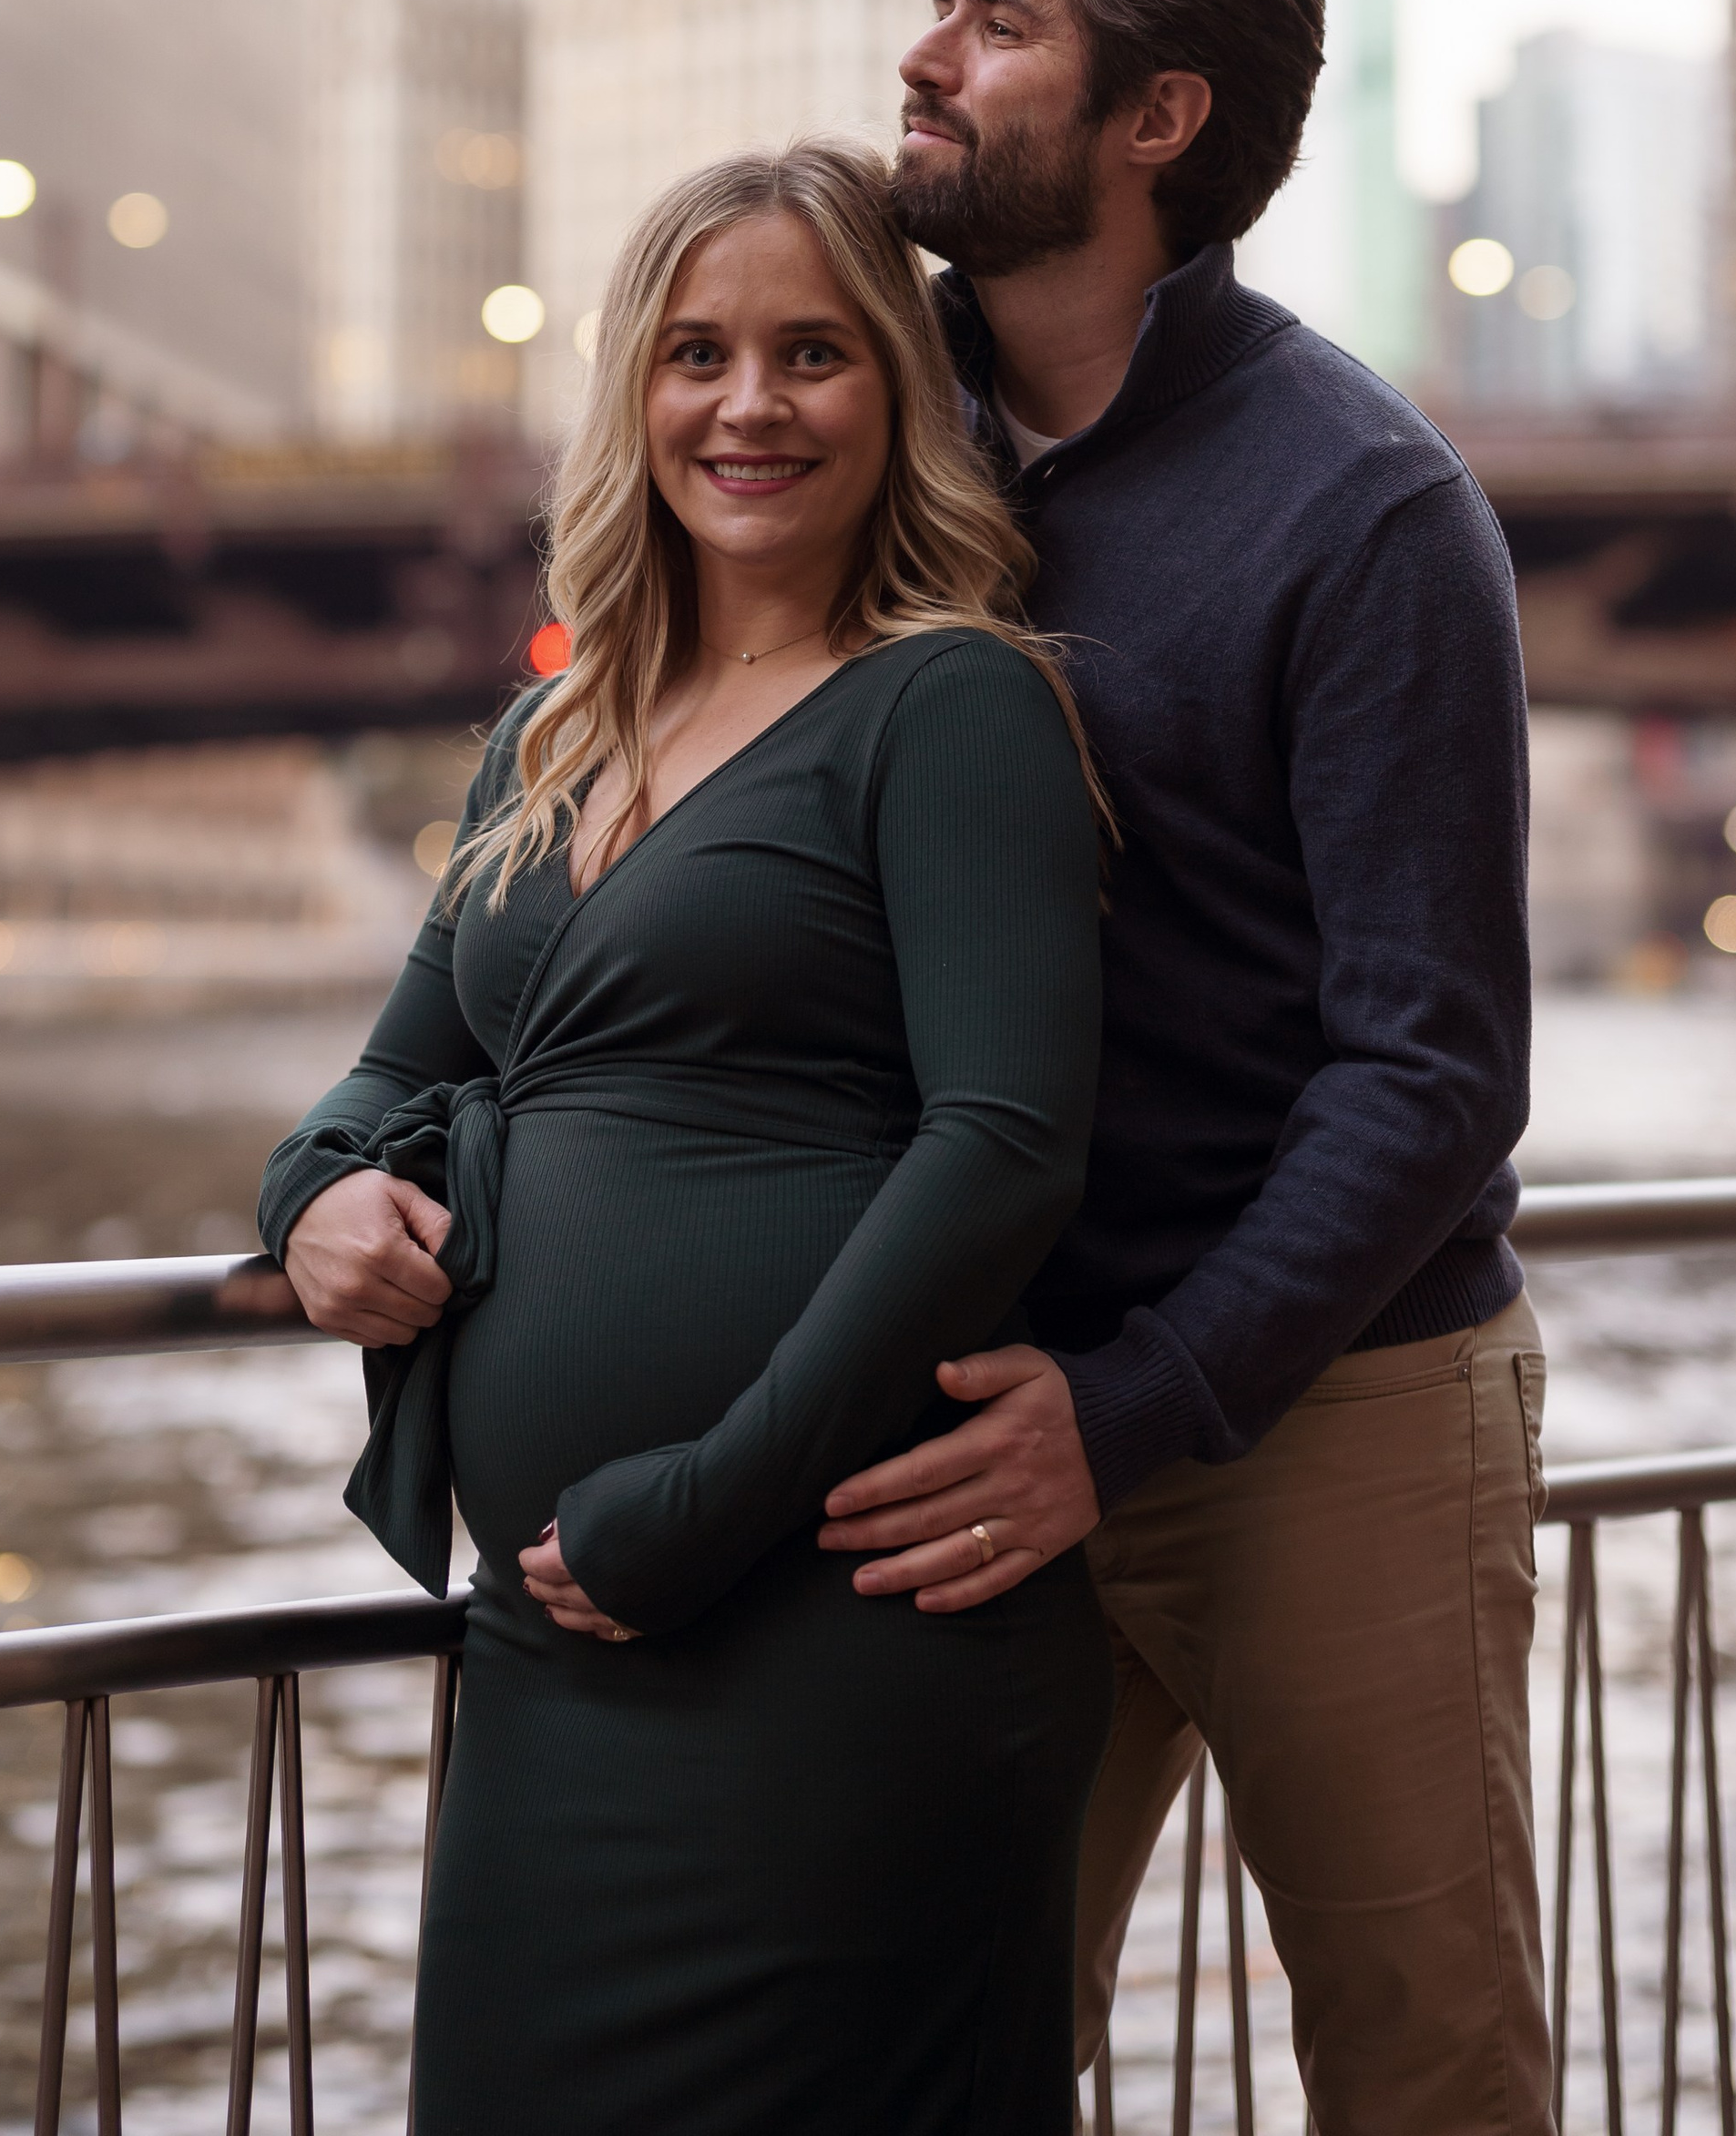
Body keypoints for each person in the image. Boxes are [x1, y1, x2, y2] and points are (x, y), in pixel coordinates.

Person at [814, 0, 1550, 2136]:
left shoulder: (1365, 511)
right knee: (920, 2055)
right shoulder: (853, 431)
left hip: (1321, 1411)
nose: (922, 54)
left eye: (993, 18)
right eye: (944, 1)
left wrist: (1127, 1410)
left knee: (1416, 2066)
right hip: (958, 1416)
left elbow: (1430, 1071)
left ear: (1155, 122)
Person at [259, 139, 1113, 2136]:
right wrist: (316, 1204)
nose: (747, 405)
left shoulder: (947, 704)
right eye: (696, 352)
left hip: (830, 1618)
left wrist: (712, 1499)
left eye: (811, 353)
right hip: (563, 1642)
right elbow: (386, 1075)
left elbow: (1000, 1145)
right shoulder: (548, 737)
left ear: (897, 388)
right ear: (630, 390)